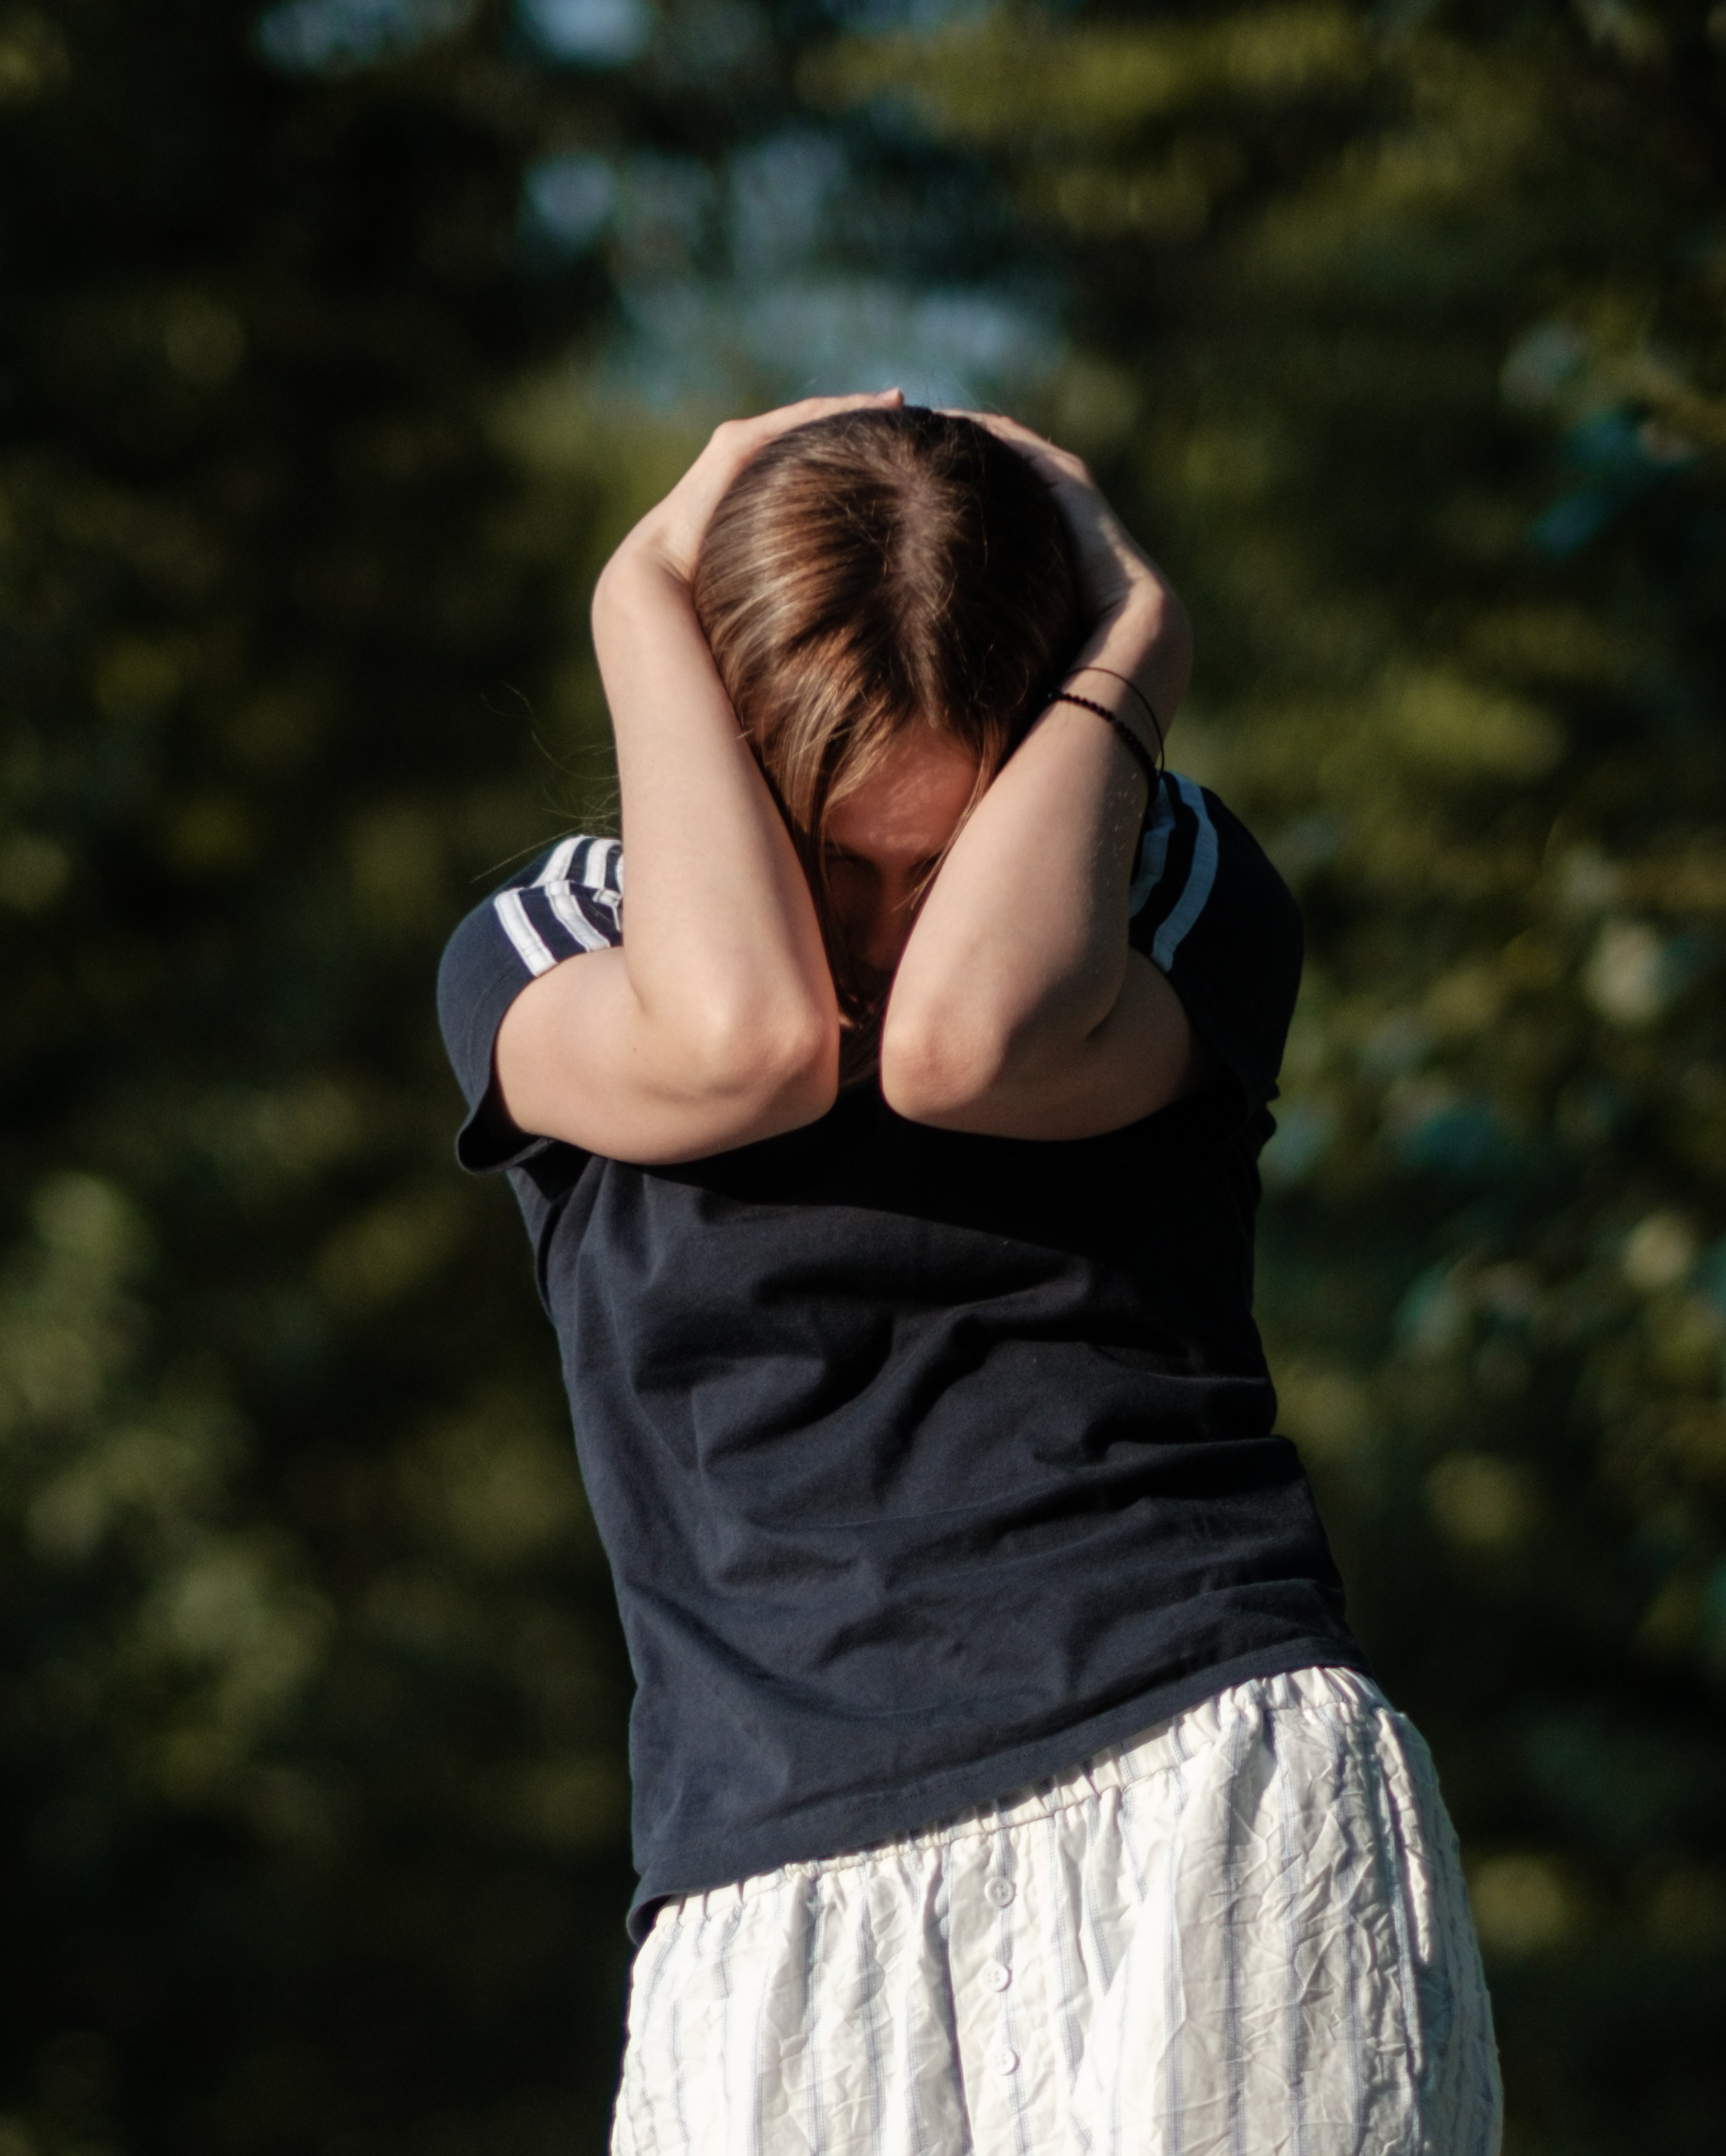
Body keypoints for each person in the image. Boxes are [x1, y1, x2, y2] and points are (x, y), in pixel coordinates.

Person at [437, 393, 1501, 2155]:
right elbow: (750, 1038)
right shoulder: (549, 949)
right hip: (774, 1905)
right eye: (842, 856)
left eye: (944, 855)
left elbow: (963, 1046)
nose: (888, 919)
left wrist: (1133, 649)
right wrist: (640, 594)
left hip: (1206, 1805)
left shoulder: (1172, 883)